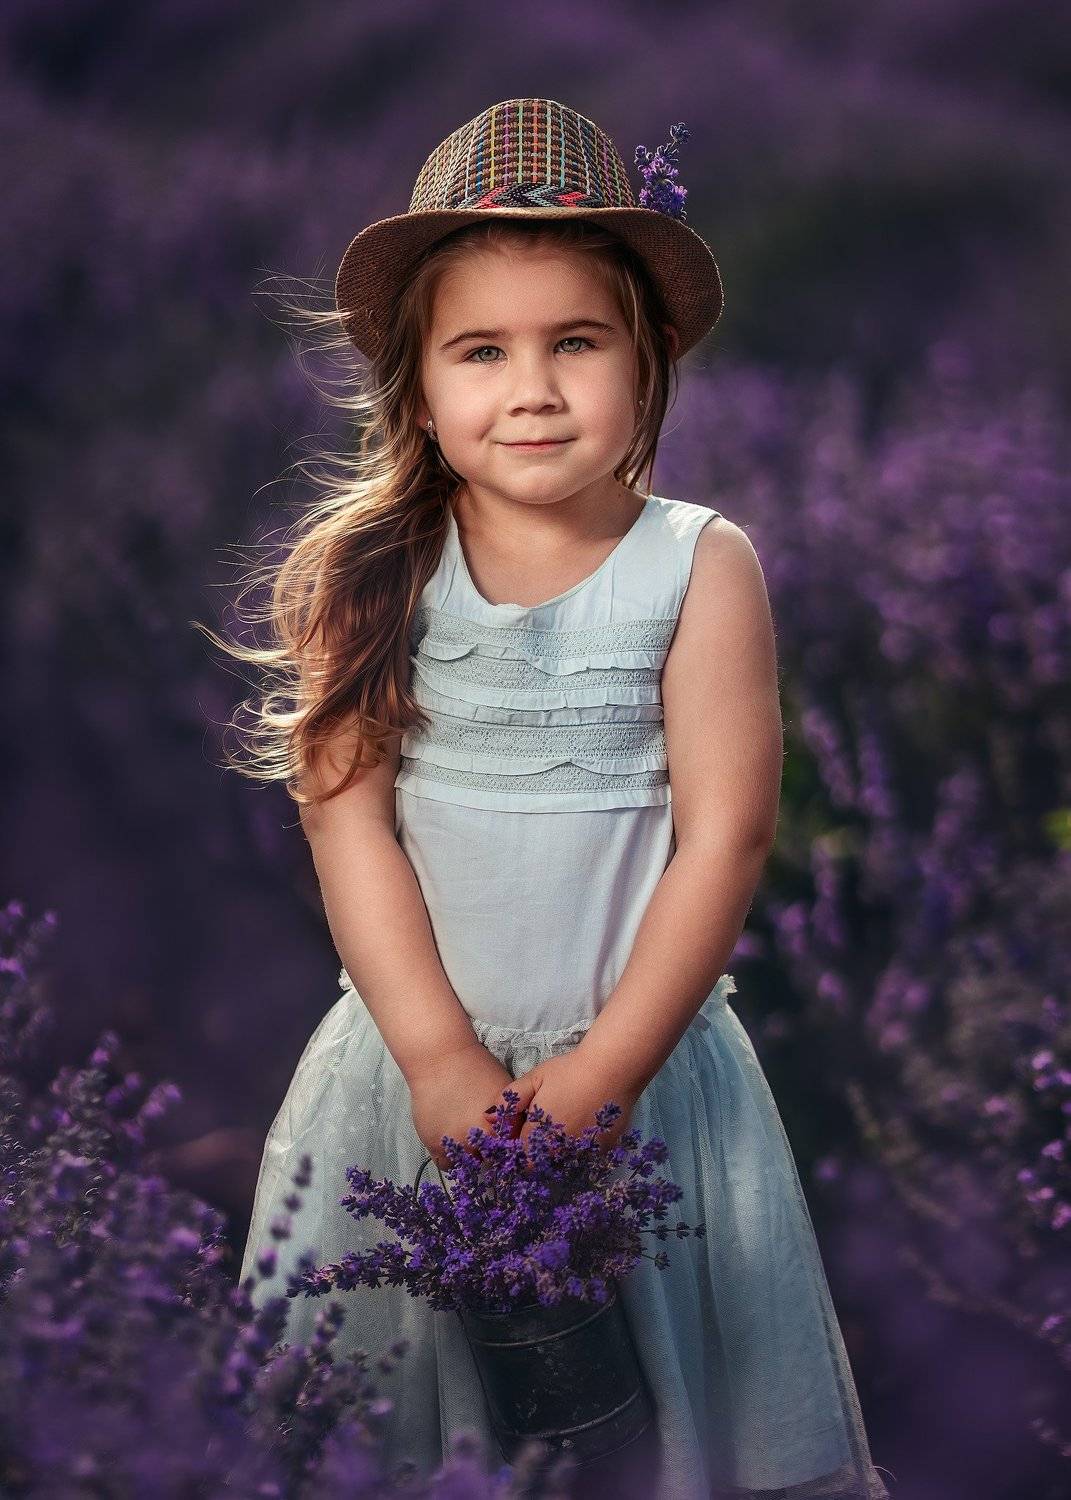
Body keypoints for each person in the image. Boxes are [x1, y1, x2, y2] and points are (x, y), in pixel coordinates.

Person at [214, 98, 892, 1500]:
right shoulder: (365, 574)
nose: (532, 387)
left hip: (641, 1090)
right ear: (416, 384)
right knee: (399, 1432)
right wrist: (447, 1069)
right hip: (413, 1084)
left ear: (646, 367)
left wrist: (595, 1083)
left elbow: (727, 835)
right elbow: (347, 824)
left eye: (575, 342)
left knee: (654, 1445)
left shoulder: (700, 567)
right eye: (483, 351)